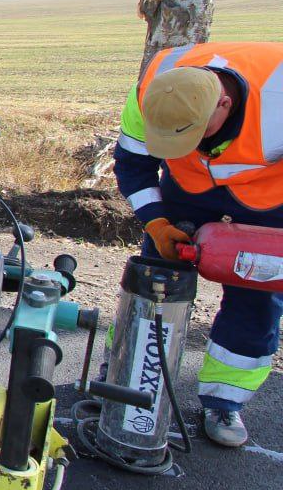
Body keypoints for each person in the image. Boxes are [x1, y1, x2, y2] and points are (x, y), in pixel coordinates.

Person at [114, 42, 283, 447]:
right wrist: (156, 223)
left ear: (224, 103)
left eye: (192, 133)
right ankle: (127, 372)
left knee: (256, 301)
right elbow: (134, 164)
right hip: (187, 189)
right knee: (153, 283)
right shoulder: (154, 85)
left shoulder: (278, 101)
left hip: (268, 199)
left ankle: (225, 400)